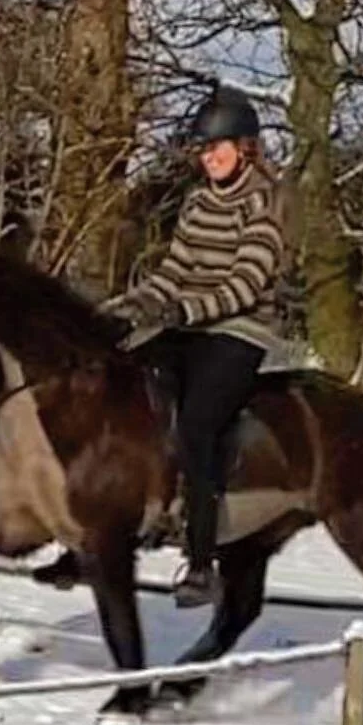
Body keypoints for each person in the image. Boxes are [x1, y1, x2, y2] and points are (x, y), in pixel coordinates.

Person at [104, 86, 286, 608]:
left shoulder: (263, 203)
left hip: (240, 330)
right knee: (131, 387)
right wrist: (127, 307)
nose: (209, 158)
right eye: (204, 150)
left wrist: (184, 311)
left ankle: (203, 562)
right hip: (190, 327)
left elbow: (245, 284)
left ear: (245, 148)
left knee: (198, 424)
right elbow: (173, 272)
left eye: (218, 148)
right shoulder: (199, 202)